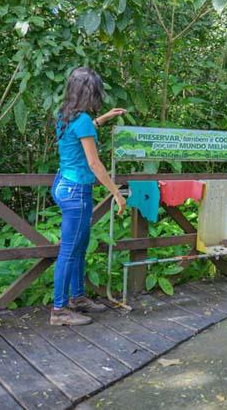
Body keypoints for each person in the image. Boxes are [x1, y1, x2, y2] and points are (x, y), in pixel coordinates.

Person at [50, 66, 127, 326]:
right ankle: (59, 310)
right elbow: (95, 164)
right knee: (70, 250)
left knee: (79, 247)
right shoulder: (81, 120)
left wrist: (101, 119)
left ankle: (78, 298)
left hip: (63, 184)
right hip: (77, 192)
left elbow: (77, 136)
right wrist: (116, 193)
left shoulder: (65, 115)